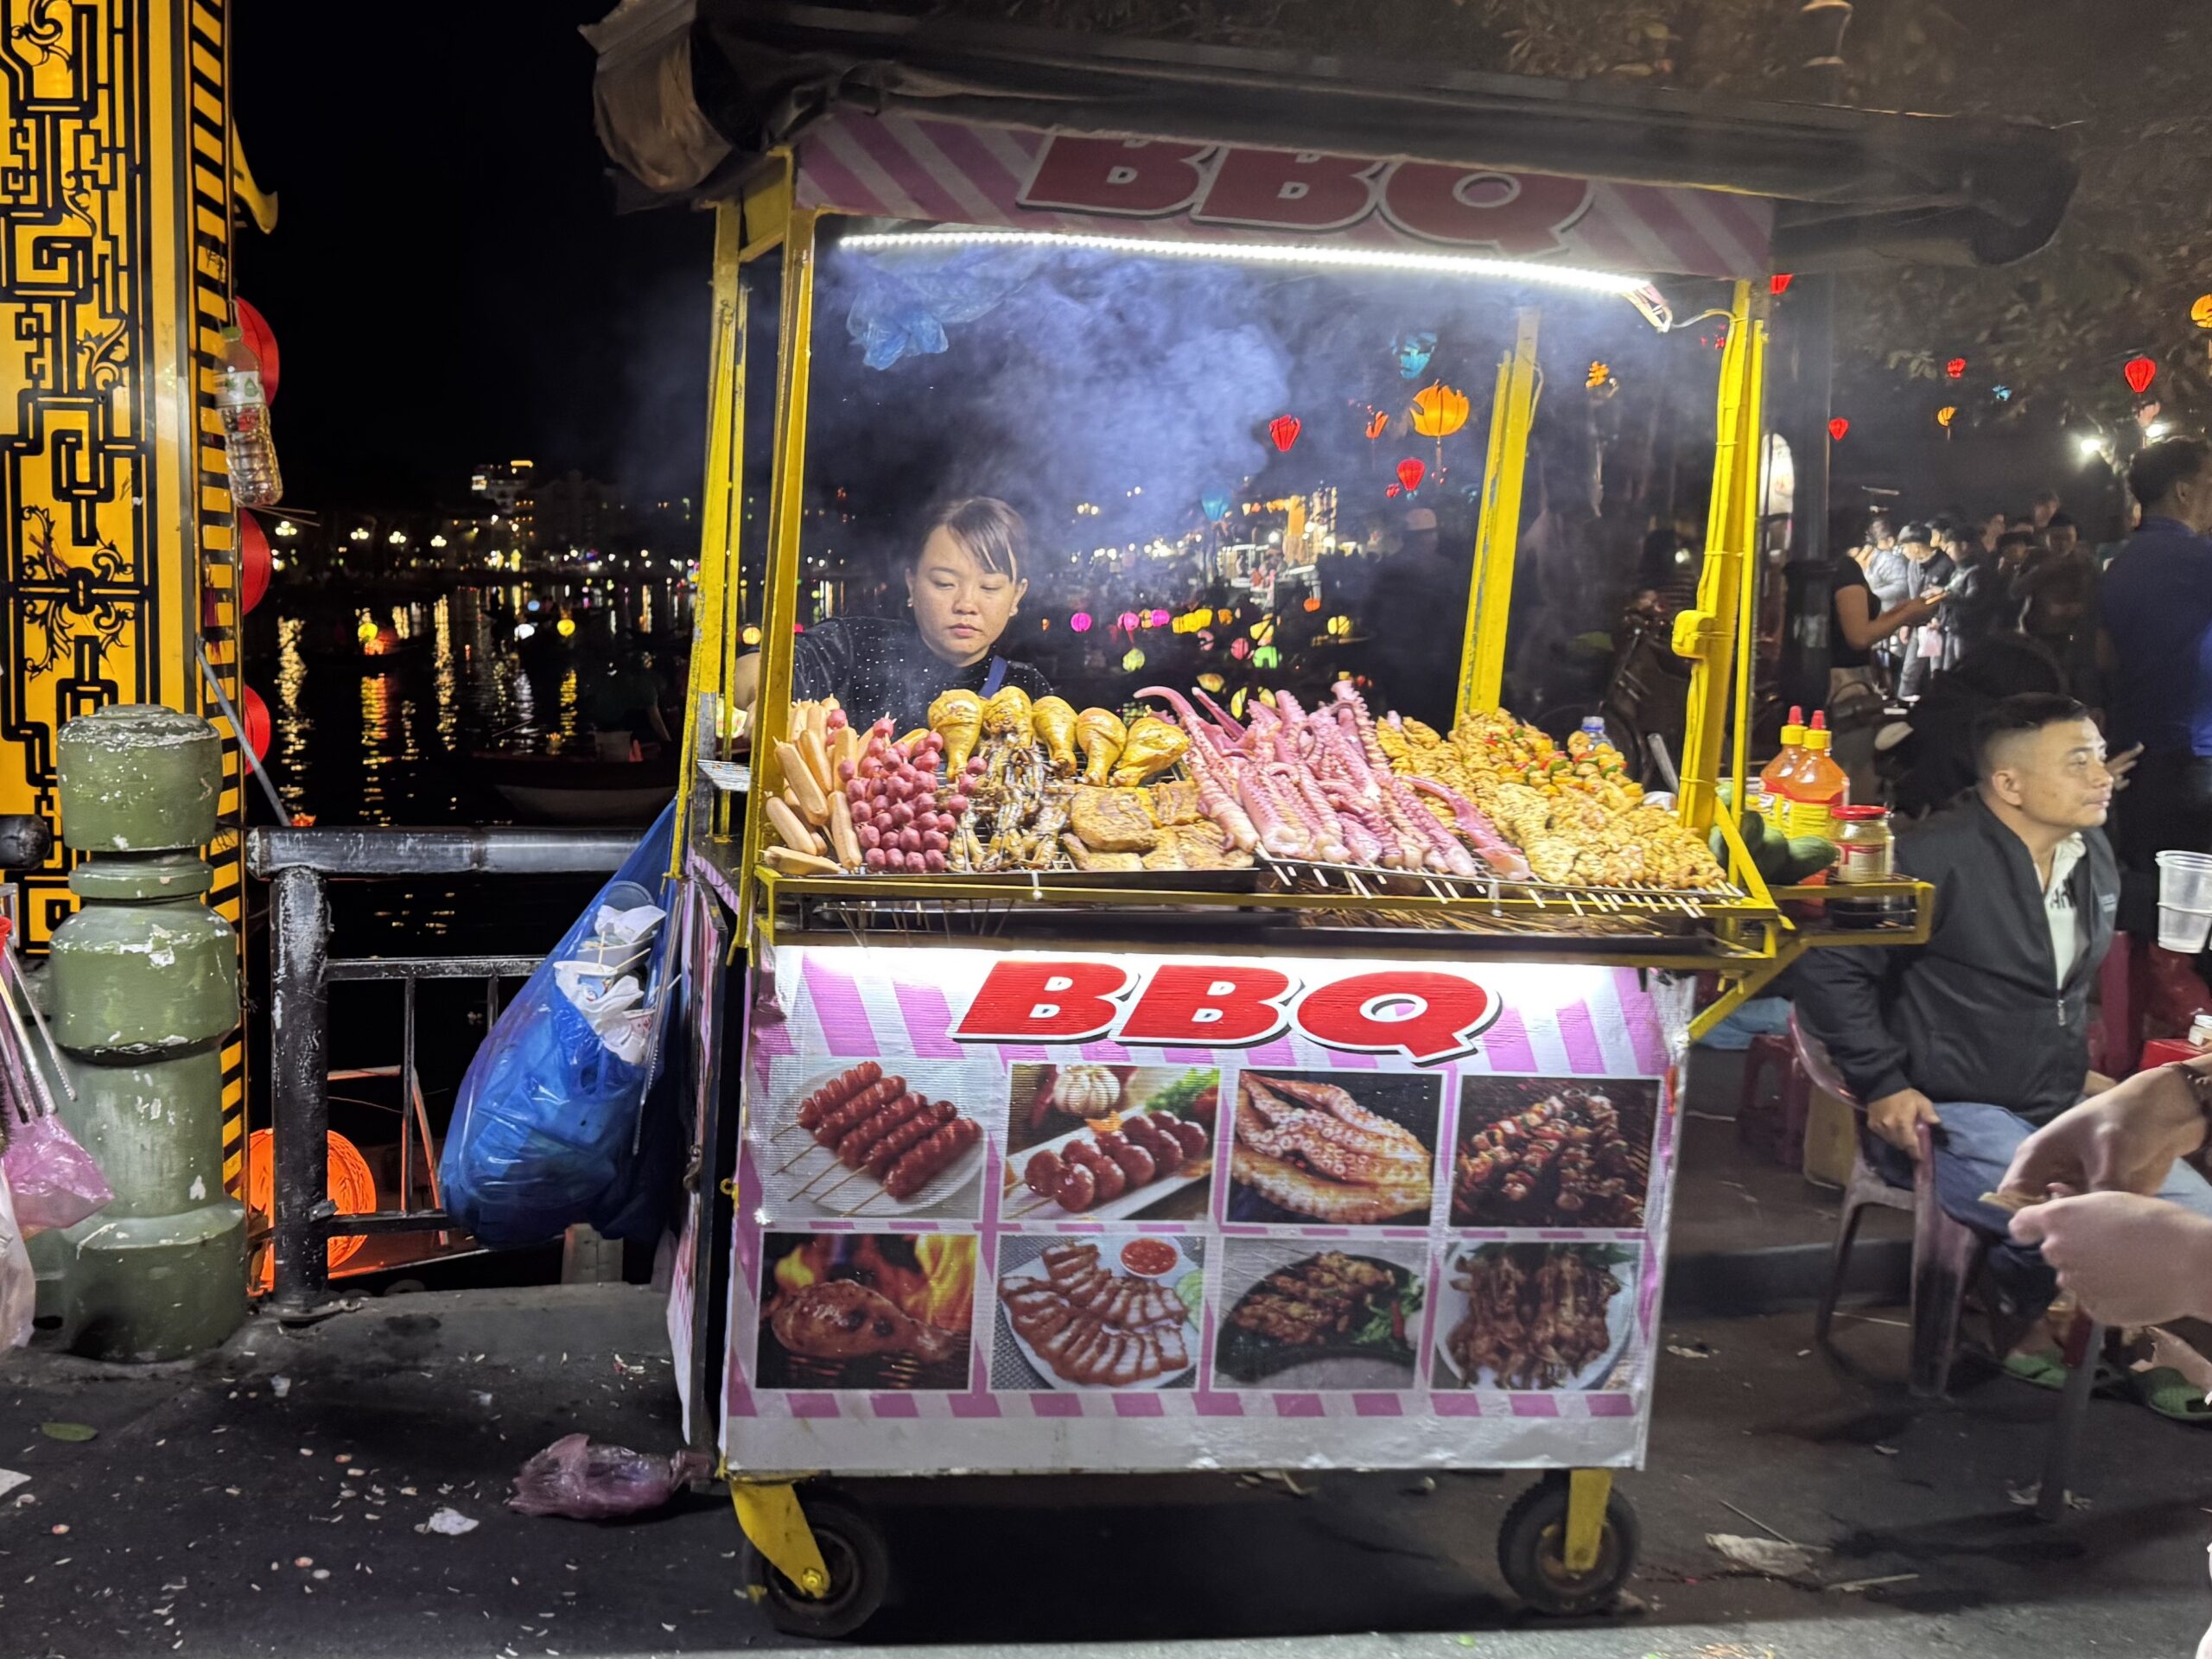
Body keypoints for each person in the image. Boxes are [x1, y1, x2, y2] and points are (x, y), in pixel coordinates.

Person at [1796, 696, 2191, 1293]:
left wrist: (2089, 1083)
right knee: (2100, 1227)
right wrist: (1883, 1084)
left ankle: (2099, 1336)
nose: (2101, 777)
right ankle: (2028, 1326)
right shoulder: (1929, 858)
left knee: (2193, 1222)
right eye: (2078, 761)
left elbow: (2047, 993)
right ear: (2009, 783)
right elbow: (1830, 967)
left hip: (2054, 1100)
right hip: (1952, 1109)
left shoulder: (2091, 854)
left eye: (2100, 757)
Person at [732, 497, 1052, 735]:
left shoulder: (1027, 690)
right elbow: (755, 665)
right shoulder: (853, 646)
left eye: (990, 586)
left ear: (1016, 596)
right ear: (912, 583)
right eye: (945, 583)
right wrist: (767, 701)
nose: (966, 603)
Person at [2096, 436, 2212, 912]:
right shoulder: (2198, 561)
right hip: (2195, 759)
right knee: (2196, 913)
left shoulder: (2118, 565)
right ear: (2185, 491)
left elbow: (2104, 660)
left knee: (2154, 904)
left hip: (2137, 759)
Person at [1828, 537, 1942, 799]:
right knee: (1851, 772)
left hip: (1824, 677)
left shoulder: (1814, 560)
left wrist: (1900, 611)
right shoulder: (1845, 569)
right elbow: (1858, 636)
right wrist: (1906, 615)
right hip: (1845, 682)